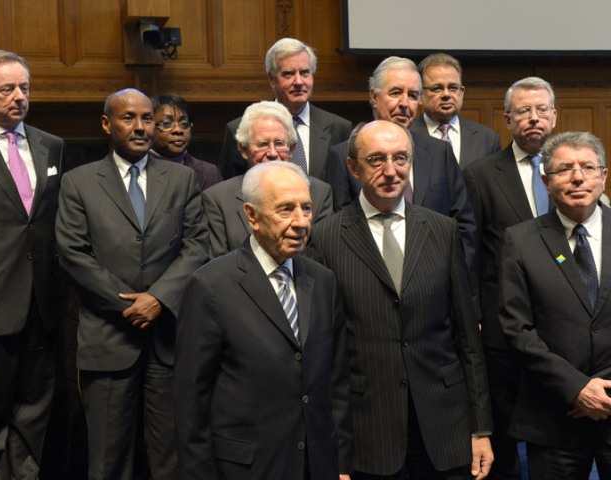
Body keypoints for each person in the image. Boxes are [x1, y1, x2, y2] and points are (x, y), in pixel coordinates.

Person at [309, 120, 493, 480]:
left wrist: (481, 428)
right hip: (368, 426)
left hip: (445, 421)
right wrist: (337, 448)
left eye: (401, 159)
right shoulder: (325, 237)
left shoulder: (443, 230)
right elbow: (324, 352)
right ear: (353, 167)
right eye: (376, 159)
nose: (391, 171)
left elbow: (467, 339)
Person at [55, 88, 208, 480]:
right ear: (107, 124)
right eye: (129, 118)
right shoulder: (79, 182)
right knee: (108, 461)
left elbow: (197, 246)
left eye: (147, 118)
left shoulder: (182, 179)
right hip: (109, 338)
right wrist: (128, 304)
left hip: (167, 338)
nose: (141, 127)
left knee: (170, 458)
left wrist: (158, 299)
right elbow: (73, 254)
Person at [175, 160, 351, 480]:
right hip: (246, 468)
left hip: (317, 465)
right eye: (286, 210)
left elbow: (336, 384)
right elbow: (191, 403)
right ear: (252, 216)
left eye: (307, 209)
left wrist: (340, 465)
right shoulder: (211, 285)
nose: (301, 222)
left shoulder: (323, 281)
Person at [0, 49, 64, 479]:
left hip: (42, 302)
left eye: (24, 87)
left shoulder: (52, 146)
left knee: (34, 411)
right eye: (6, 89)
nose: (18, 97)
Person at [499, 131, 611, 479]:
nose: (577, 176)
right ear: (546, 181)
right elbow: (517, 329)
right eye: (564, 169)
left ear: (603, 176)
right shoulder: (520, 240)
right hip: (552, 417)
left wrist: (603, 388)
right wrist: (575, 387)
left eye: (587, 167)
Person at [462, 77, 558, 479]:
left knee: (555, 439)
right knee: (502, 437)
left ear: (554, 116)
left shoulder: (571, 170)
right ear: (507, 119)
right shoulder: (481, 174)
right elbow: (470, 253)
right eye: (523, 111)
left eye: (541, 110)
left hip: (560, 328)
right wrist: (475, 314)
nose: (533, 118)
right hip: (502, 327)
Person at [325, 56, 476, 265]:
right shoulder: (343, 155)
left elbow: (464, 225)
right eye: (396, 93)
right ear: (374, 96)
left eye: (413, 95)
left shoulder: (439, 152)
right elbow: (339, 231)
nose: (405, 104)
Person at [203, 100, 333, 259]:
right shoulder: (218, 199)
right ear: (244, 149)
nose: (272, 153)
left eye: (279, 143)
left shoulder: (319, 193)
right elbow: (218, 266)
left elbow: (321, 258)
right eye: (263, 144)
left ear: (291, 149)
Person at [218, 37, 352, 180]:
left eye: (305, 72)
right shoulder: (239, 129)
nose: (299, 82)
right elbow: (229, 192)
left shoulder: (339, 128)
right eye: (288, 74)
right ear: (272, 79)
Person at [410, 53, 501, 168]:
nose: (446, 94)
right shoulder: (407, 135)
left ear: (462, 92)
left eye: (453, 88)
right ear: (420, 95)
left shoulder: (487, 139)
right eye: (437, 88)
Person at [150, 93, 223, 190]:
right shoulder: (137, 169)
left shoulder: (209, 172)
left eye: (184, 124)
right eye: (167, 124)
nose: (178, 130)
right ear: (149, 127)